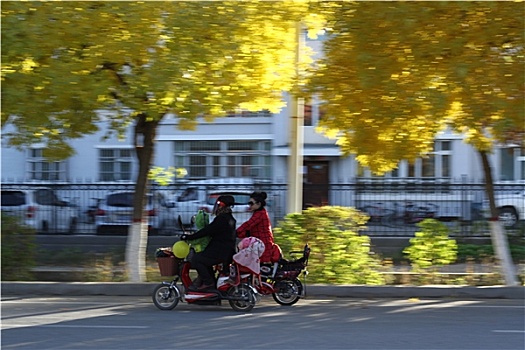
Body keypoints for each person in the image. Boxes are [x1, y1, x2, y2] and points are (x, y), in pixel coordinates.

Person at [181, 195, 237, 290]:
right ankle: (211, 284)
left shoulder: (221, 219)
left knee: (197, 259)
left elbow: (207, 231)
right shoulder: (230, 218)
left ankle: (208, 282)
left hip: (219, 251)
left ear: (221, 206)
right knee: (205, 261)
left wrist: (189, 237)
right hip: (227, 251)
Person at [236, 191, 281, 263]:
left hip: (263, 245)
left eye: (251, 203)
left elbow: (248, 224)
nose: (249, 206)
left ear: (259, 204)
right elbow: (250, 229)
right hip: (260, 245)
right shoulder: (259, 213)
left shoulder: (260, 214)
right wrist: (240, 234)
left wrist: (236, 232)